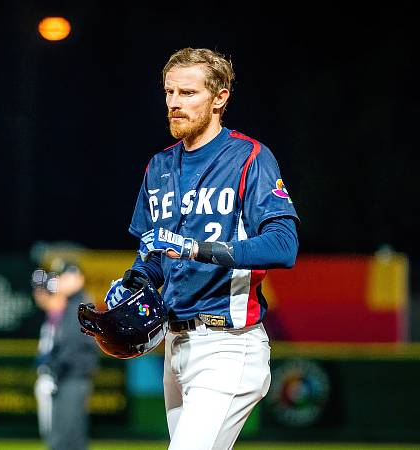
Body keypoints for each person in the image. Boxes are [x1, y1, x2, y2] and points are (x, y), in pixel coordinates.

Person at [111, 48, 299, 449]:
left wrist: (196, 248)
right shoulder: (158, 167)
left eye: (188, 93)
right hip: (174, 345)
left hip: (228, 345)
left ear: (220, 98)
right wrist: (134, 281)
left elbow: (284, 246)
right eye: (169, 92)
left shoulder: (249, 157)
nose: (175, 103)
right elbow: (154, 255)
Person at [31, 259, 99, 450]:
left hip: (74, 375)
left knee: (63, 437)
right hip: (68, 376)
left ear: (78, 278)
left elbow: (74, 345)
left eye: (65, 276)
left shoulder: (82, 305)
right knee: (71, 435)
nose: (60, 280)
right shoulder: (70, 305)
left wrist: (54, 368)